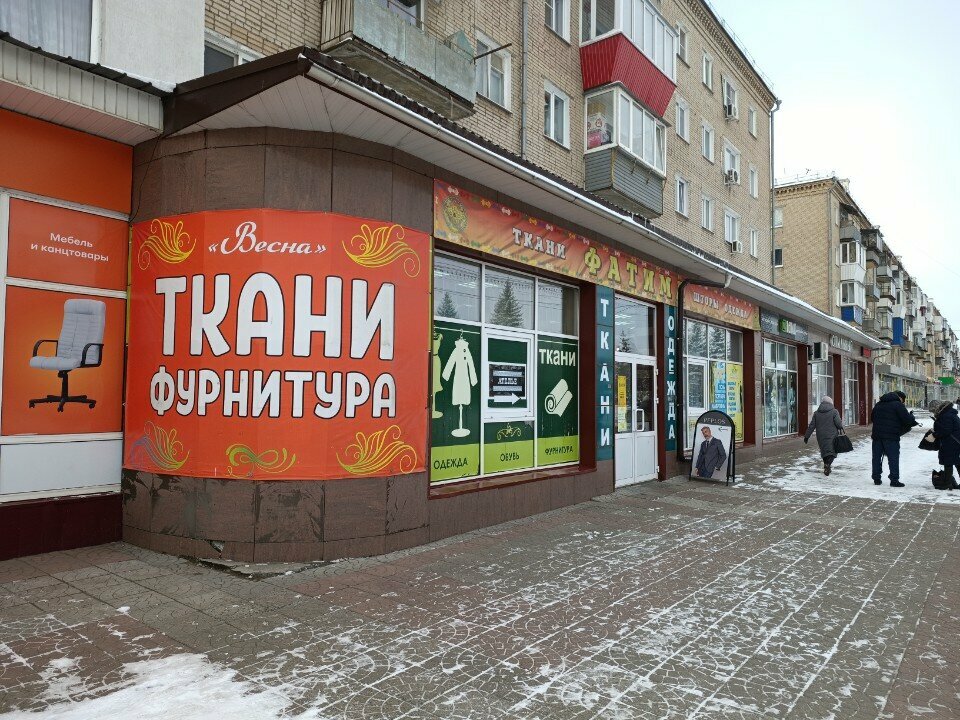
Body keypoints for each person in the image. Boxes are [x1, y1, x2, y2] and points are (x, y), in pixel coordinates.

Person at [870, 390, 918, 487]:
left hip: (877, 436)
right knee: (893, 458)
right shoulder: (898, 405)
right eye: (903, 400)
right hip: (891, 437)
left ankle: (876, 478)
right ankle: (894, 480)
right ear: (900, 398)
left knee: (876, 457)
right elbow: (907, 420)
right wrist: (911, 416)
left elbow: (872, 418)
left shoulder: (878, 404)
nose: (902, 402)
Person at [804, 395, 843, 476]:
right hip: (832, 435)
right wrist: (841, 425)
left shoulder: (816, 413)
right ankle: (828, 464)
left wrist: (807, 436)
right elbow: (839, 425)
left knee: (824, 451)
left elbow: (811, 426)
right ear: (831, 403)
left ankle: (826, 465)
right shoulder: (834, 412)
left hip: (820, 436)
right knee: (832, 451)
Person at [932, 400, 960, 488]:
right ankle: (947, 483)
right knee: (956, 462)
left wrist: (935, 434)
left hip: (950, 442)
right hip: (954, 441)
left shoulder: (946, 415)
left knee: (948, 462)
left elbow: (946, 430)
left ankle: (947, 483)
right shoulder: (950, 414)